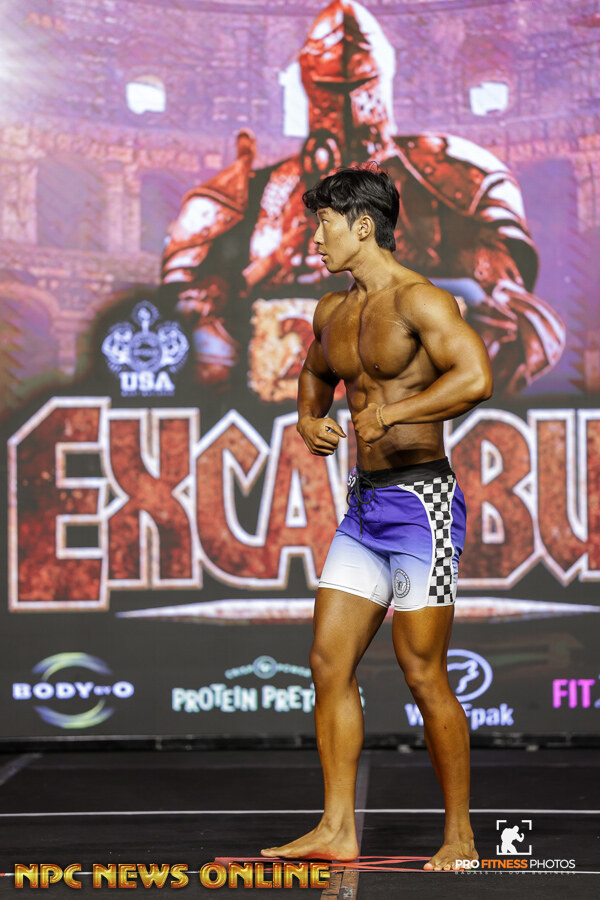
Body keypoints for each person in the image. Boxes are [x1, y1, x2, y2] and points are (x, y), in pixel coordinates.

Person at [260, 165, 493, 871]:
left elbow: (475, 378)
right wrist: (309, 420)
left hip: (422, 506)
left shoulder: (420, 300)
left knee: (423, 672)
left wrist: (394, 413)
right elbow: (314, 374)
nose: (315, 240)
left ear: (363, 226)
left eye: (324, 225)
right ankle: (337, 828)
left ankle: (460, 836)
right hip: (364, 509)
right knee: (328, 662)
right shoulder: (333, 310)